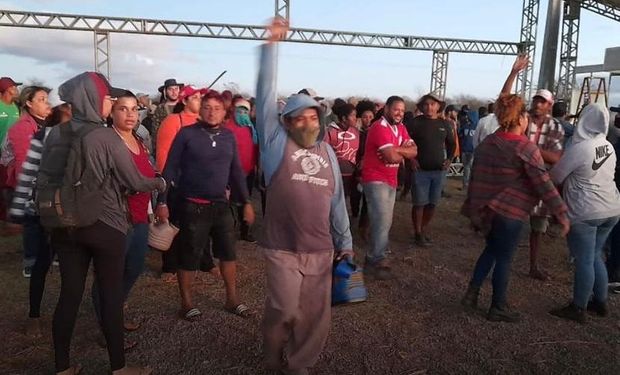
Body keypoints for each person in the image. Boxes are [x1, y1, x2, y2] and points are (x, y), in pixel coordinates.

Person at [47, 72, 166, 375]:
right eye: (109, 98)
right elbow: (134, 180)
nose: (112, 102)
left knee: (69, 296)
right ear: (92, 99)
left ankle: (62, 367)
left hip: (64, 226)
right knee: (111, 295)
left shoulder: (56, 133)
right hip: (103, 224)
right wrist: (161, 182)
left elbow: (44, 178)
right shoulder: (105, 136)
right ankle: (119, 367)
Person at [256, 18, 353, 374]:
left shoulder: (327, 152)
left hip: (320, 248)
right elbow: (265, 95)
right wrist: (271, 47)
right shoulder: (274, 144)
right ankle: (271, 351)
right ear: (287, 122)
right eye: (301, 117)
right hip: (282, 247)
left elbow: (337, 201)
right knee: (284, 308)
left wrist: (346, 242)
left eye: (314, 116)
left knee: (315, 315)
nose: (309, 122)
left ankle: (299, 366)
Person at [461, 93, 569, 323]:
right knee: (504, 258)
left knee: (491, 250)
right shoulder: (526, 148)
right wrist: (560, 212)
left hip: (488, 210)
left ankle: (471, 293)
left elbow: (476, 180)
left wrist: (473, 209)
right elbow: (543, 184)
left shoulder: (487, 143)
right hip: (511, 213)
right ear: (521, 119)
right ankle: (498, 306)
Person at [155, 90, 255, 321]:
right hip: (192, 205)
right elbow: (169, 168)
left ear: (224, 112)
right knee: (188, 255)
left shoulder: (228, 136)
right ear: (200, 110)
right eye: (207, 107)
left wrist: (246, 202)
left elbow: (236, 171)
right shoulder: (186, 134)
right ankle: (186, 302)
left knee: (228, 254)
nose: (212, 112)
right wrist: (162, 201)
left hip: (221, 205)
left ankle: (232, 298)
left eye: (217, 108)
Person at [90, 91, 157, 348]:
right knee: (110, 275)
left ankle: (113, 310)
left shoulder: (139, 140)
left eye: (134, 109)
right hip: (115, 219)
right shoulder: (106, 141)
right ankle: (108, 327)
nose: (130, 114)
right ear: (111, 112)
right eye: (122, 109)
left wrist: (150, 207)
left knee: (134, 267)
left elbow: (147, 173)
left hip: (139, 217)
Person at [548, 103, 620, 323]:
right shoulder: (608, 145)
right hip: (612, 208)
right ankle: (599, 302)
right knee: (596, 255)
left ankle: (578, 307)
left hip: (586, 211)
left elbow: (556, 176)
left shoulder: (580, 148)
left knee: (584, 260)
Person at [501, 56, 565, 281]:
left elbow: (556, 157)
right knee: (510, 224)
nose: (538, 104)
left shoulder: (556, 126)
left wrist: (526, 148)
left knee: (538, 228)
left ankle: (533, 265)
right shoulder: (521, 118)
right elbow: (505, 100)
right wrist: (513, 74)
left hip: (538, 183)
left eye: (542, 101)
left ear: (550, 104)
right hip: (517, 182)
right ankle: (502, 262)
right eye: (536, 100)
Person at [155, 85, 214, 282]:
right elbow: (164, 154)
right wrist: (167, 183)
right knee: (174, 225)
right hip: (178, 183)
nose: (201, 101)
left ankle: (206, 262)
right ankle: (170, 266)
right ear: (185, 100)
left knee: (203, 224)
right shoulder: (173, 121)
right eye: (196, 97)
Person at [361, 95, 417, 279]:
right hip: (375, 178)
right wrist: (401, 151)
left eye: (402, 110)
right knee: (382, 219)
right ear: (386, 109)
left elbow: (413, 151)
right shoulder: (379, 127)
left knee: (386, 220)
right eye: (396, 109)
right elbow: (391, 157)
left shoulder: (401, 127)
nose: (399, 113)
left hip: (391, 179)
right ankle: (376, 258)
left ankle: (376, 256)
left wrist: (396, 150)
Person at [4, 86, 52, 278]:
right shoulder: (22, 127)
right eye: (41, 99)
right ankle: (30, 261)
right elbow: (25, 164)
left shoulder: (44, 124)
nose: (46, 103)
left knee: (43, 219)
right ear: (29, 103)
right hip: (23, 181)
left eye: (47, 99)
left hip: (41, 180)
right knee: (32, 221)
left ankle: (46, 254)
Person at [406, 93, 456, 248]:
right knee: (419, 203)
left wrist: (449, 160)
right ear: (422, 107)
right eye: (426, 104)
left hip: (438, 171)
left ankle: (424, 229)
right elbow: (404, 142)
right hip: (419, 170)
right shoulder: (414, 123)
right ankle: (418, 233)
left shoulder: (445, 124)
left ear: (438, 107)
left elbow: (452, 145)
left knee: (432, 204)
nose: (429, 107)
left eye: (433, 104)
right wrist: (411, 160)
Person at [224, 98, 259, 242]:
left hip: (249, 171)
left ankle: (245, 231)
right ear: (234, 111)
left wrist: (256, 166)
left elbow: (255, 149)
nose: (243, 113)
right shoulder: (228, 128)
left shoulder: (251, 128)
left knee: (245, 200)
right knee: (230, 203)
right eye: (240, 110)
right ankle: (228, 231)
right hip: (231, 173)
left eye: (246, 110)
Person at [324, 102, 361, 215]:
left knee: (353, 199)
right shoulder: (330, 131)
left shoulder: (355, 132)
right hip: (336, 175)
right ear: (344, 118)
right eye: (353, 115)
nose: (355, 118)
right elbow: (324, 151)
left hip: (353, 174)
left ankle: (352, 220)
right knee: (338, 201)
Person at [0, 76, 22, 230]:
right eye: (13, 87)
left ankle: (8, 220)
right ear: (5, 90)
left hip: (10, 155)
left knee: (8, 186)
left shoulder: (15, 107)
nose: (16, 90)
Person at [353, 100, 375, 240]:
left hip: (370, 170)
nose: (368, 120)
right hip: (355, 169)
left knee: (368, 200)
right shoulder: (355, 133)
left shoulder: (375, 132)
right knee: (355, 198)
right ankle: (353, 219)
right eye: (365, 117)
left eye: (371, 117)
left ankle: (364, 229)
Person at [151, 78, 183, 156]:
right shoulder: (160, 109)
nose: (174, 92)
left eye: (176, 89)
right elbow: (155, 131)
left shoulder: (185, 107)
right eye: (170, 89)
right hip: (167, 149)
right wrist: (157, 151)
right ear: (165, 91)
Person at [458, 105, 479, 191]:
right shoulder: (465, 125)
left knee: (470, 168)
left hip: (473, 150)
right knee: (467, 167)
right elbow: (460, 135)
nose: (467, 118)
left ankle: (469, 185)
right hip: (465, 149)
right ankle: (466, 185)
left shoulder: (477, 126)